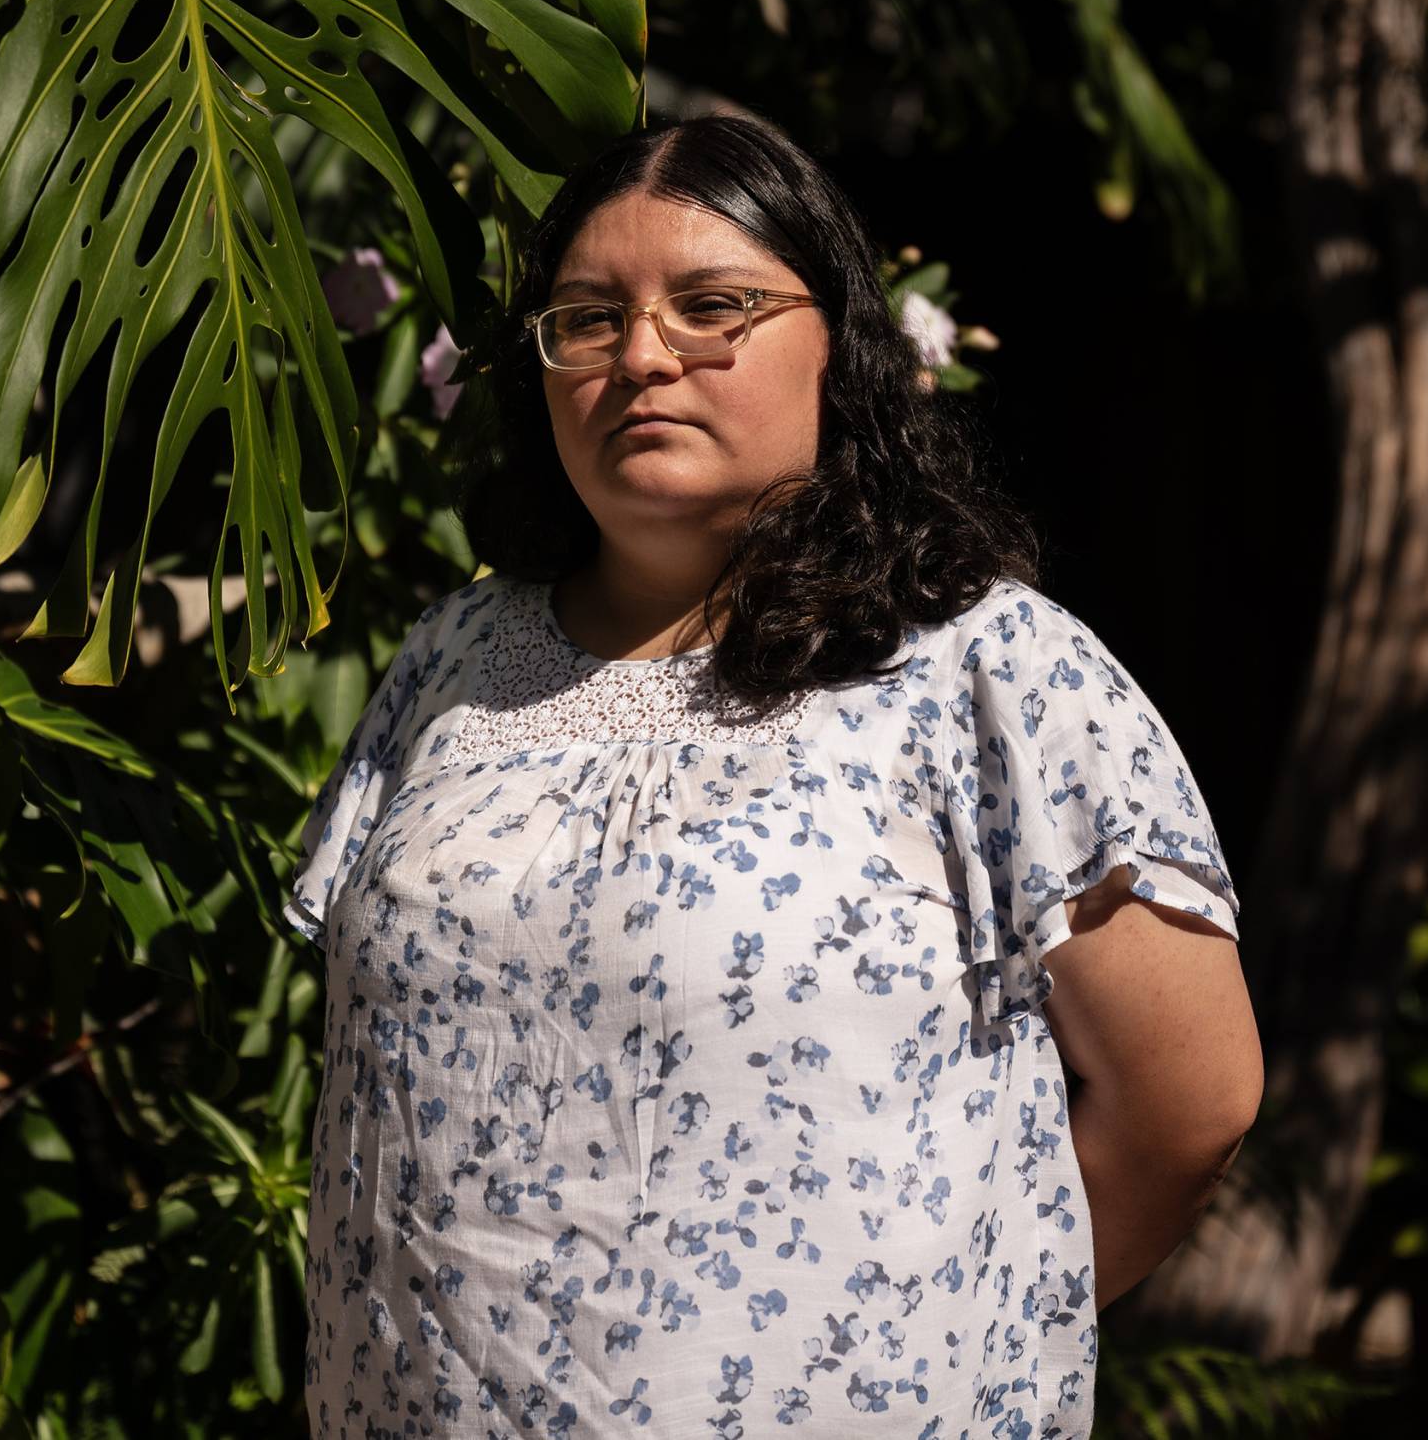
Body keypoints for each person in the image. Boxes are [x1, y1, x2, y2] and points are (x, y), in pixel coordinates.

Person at [283, 114, 1261, 1439]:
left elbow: (1189, 1096)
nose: (641, 356)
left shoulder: (988, 671)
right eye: (586, 318)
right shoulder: (454, 658)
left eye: (712, 307)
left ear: (837, 348)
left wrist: (951, 1347)